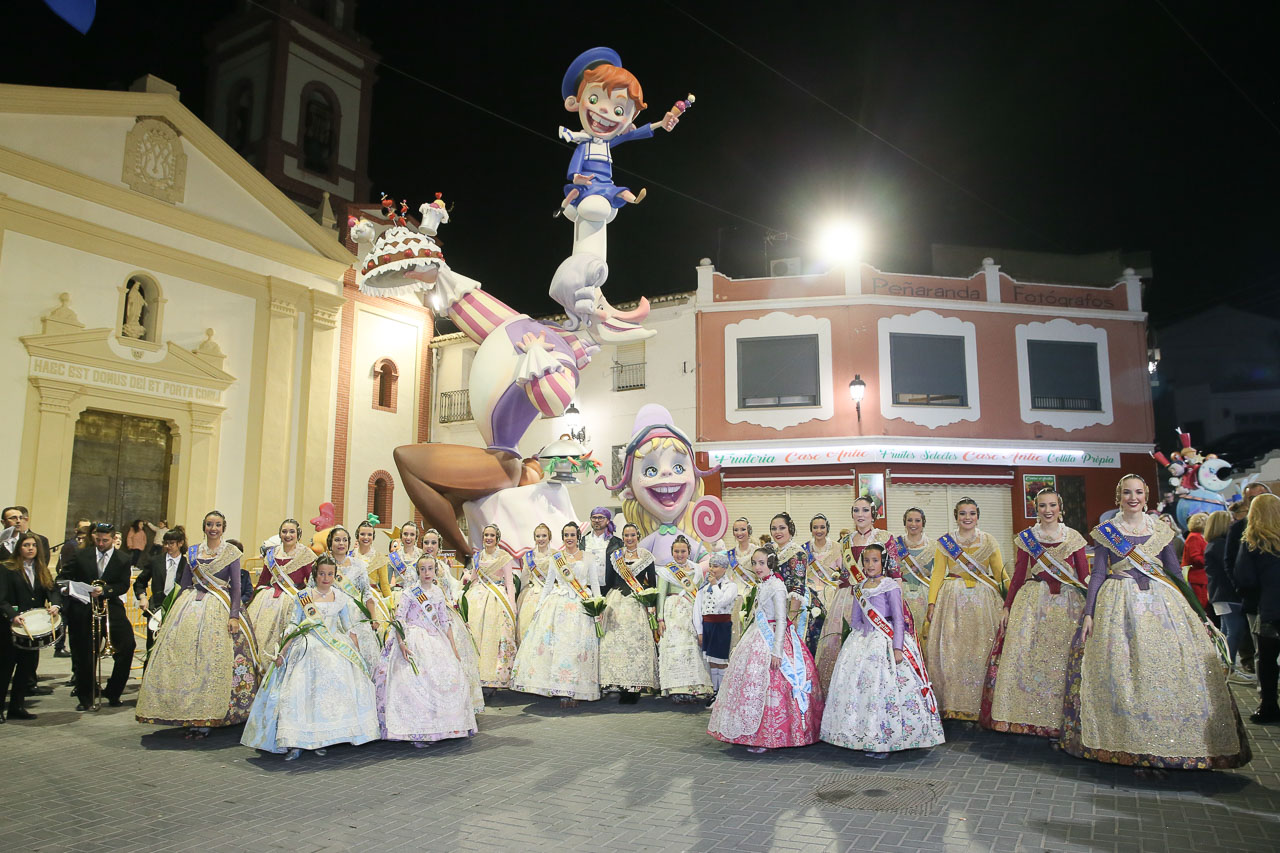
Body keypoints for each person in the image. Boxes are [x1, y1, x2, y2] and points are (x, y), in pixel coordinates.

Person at [1060, 474, 1250, 769]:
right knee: (1124, 671)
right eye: (1126, 492)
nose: (1132, 497)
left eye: (1138, 492)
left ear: (1146, 496)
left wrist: (1198, 615)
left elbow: (1174, 573)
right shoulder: (1106, 532)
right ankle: (1130, 742)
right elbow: (1098, 573)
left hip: (1164, 606)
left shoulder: (1161, 531)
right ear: (1118, 497)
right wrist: (1089, 612)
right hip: (1119, 605)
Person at [242, 556, 380, 760]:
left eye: (330, 574)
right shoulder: (304, 597)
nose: (326, 578)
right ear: (315, 574)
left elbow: (348, 628)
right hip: (306, 646)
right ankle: (296, 741)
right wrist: (283, 651)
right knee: (299, 692)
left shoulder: (341, 599)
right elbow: (292, 625)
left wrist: (357, 656)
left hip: (335, 647)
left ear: (335, 575)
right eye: (322, 573)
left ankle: (322, 738)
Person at [135, 513, 259, 737]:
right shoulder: (192, 551)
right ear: (204, 527)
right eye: (210, 524)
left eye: (218, 525)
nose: (214, 528)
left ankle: (209, 713)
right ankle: (185, 710)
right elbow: (184, 583)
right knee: (184, 657)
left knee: (212, 660)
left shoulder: (231, 553)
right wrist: (172, 613)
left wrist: (234, 616)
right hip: (190, 607)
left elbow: (237, 588)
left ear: (223, 528)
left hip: (218, 608)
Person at [980, 488, 1089, 739]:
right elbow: (1018, 575)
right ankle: (1029, 719)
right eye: (1042, 506)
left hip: (1067, 606)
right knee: (1030, 660)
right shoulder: (1027, 538)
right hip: (1033, 604)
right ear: (1035, 509)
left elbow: (1083, 576)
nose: (1047, 510)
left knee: (1061, 662)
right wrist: (1007, 606)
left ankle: (1061, 722)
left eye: (1052, 505)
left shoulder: (1073, 537)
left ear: (1060, 508)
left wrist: (1093, 606)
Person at [820, 544, 943, 756]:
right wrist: (857, 641)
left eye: (875, 560)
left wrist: (897, 647)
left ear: (882, 562)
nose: (870, 565)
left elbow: (898, 619)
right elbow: (856, 619)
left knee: (883, 690)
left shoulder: (890, 586)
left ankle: (886, 738)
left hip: (886, 640)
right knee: (862, 691)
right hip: (862, 642)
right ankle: (861, 735)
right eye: (866, 561)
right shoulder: (859, 587)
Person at [708, 547, 823, 752]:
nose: (757, 567)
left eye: (761, 563)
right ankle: (750, 732)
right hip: (757, 636)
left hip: (773, 640)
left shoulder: (777, 586)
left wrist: (777, 651)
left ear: (770, 563)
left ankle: (767, 736)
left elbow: (781, 620)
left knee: (771, 687)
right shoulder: (764, 584)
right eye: (754, 563)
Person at [556, 47, 683, 214]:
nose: (605, 111)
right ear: (575, 103)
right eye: (594, 99)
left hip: (606, 183)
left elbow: (633, 135)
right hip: (586, 183)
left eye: (618, 111)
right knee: (574, 192)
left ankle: (634, 199)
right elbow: (576, 161)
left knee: (621, 191)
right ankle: (562, 207)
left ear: (631, 118)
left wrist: (661, 123)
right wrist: (575, 176)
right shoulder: (584, 144)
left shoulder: (608, 143)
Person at [375, 555, 478, 746]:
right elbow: (399, 619)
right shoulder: (409, 593)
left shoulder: (438, 593)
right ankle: (417, 729)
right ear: (418, 571)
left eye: (430, 569)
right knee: (414, 681)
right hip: (413, 638)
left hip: (435, 640)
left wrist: (453, 648)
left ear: (435, 571)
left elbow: (444, 622)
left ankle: (442, 726)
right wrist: (402, 643)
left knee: (444, 679)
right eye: (423, 569)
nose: (427, 573)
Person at [926, 497, 1007, 721]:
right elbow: (937, 574)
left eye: (972, 513)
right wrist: (932, 603)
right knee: (952, 652)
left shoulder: (989, 541)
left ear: (977, 516)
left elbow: (1000, 574)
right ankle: (952, 704)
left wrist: (1010, 599)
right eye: (963, 513)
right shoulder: (945, 543)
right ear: (956, 516)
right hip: (952, 601)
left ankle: (980, 705)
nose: (967, 518)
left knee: (981, 651)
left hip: (983, 602)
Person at [509, 521, 601, 706]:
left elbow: (595, 585)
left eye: (572, 535)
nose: (569, 538)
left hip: (581, 607)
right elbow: (549, 585)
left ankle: (576, 691)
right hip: (558, 605)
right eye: (566, 535)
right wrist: (539, 608)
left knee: (577, 650)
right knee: (559, 650)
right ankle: (562, 690)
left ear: (578, 537)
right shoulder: (556, 558)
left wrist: (598, 608)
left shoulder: (589, 557)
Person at [59, 522, 136, 711]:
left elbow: (123, 585)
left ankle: (114, 691)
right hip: (85, 608)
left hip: (111, 608)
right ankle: (86, 696)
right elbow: (63, 578)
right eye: (98, 540)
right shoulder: (80, 555)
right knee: (85, 654)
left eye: (105, 540)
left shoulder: (123, 558)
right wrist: (71, 589)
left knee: (127, 646)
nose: (101, 543)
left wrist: (105, 590)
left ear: (112, 539)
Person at [817, 499, 892, 692]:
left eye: (865, 510)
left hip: (876, 600)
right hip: (846, 598)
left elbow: (895, 574)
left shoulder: (885, 538)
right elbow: (842, 571)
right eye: (856, 510)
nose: (860, 514)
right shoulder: (845, 541)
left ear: (873, 513)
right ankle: (842, 692)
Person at [415, 528, 483, 713]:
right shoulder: (417, 565)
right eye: (426, 543)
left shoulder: (444, 567)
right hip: (424, 618)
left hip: (445, 615)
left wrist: (466, 580)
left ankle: (457, 703)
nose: (429, 546)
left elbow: (452, 588)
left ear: (439, 546)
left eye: (433, 543)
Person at [1, 532, 62, 721]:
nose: (30, 548)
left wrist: (55, 604)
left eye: (33, 546)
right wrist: (13, 616)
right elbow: (1, 598)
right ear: (19, 548)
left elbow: (52, 590)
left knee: (25, 670)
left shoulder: (41, 569)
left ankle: (16, 707)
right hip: (10, 626)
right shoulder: (7, 569)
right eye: (26, 545)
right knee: (4, 670)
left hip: (32, 630)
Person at [1233, 493, 1280, 724]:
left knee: (1268, 660)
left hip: (1271, 610)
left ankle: (1269, 706)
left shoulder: (1253, 540)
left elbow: (1245, 578)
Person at [600, 522, 659, 702]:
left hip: (637, 603)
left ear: (638, 537)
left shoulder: (647, 557)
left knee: (636, 645)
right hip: (617, 601)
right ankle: (617, 683)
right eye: (626, 535)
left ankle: (634, 688)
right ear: (622, 537)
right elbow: (609, 581)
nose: (629, 539)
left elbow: (653, 585)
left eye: (633, 535)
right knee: (615, 643)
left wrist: (652, 604)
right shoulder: (614, 556)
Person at [246, 519, 316, 660]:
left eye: (292, 531)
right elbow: (263, 580)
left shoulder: (306, 554)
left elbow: (312, 582)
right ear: (280, 534)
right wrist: (253, 600)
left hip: (293, 599)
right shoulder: (272, 554)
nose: (288, 535)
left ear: (298, 534)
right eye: (284, 531)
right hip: (268, 599)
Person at [461, 524, 518, 691]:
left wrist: (512, 605)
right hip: (478, 598)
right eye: (486, 535)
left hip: (496, 598)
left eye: (492, 535)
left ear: (497, 538)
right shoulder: (477, 557)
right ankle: (476, 674)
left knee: (494, 637)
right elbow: (474, 579)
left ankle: (494, 676)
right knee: (476, 635)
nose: (488, 538)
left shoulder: (504, 557)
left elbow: (509, 582)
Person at [657, 535, 713, 702]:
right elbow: (660, 595)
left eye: (683, 551)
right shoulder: (666, 571)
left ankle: (696, 686)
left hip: (692, 612)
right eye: (676, 551)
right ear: (672, 552)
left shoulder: (696, 569)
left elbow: (701, 593)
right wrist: (660, 619)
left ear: (689, 552)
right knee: (677, 649)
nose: (680, 554)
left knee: (693, 648)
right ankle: (677, 688)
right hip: (673, 613)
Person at [326, 526, 386, 676]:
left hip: (355, 614)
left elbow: (366, 593)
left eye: (345, 540)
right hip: (329, 612)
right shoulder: (323, 564)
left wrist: (373, 617)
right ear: (330, 543)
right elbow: (313, 590)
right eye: (337, 540)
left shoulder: (358, 565)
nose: (341, 543)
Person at [1204, 510, 1253, 682]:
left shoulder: (1213, 543)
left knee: (1226, 631)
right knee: (1234, 631)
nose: (1233, 523)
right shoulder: (1219, 545)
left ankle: (1224, 666)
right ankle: (1227, 668)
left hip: (1219, 594)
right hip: (1226, 594)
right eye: (1230, 520)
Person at [769, 512, 821, 652]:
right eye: (774, 529)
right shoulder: (771, 551)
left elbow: (797, 587)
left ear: (790, 529)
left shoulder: (797, 553)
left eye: (782, 528)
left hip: (793, 604)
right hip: (774, 603)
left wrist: (791, 617)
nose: (777, 532)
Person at [133, 528, 189, 651]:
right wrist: (142, 597)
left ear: (180, 543)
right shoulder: (155, 561)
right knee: (152, 648)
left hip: (178, 611)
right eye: (165, 543)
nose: (168, 546)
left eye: (171, 543)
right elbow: (140, 582)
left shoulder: (187, 564)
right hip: (156, 608)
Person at [694, 552, 737, 705]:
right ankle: (715, 690)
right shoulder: (704, 587)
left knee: (721, 660)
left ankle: (722, 694)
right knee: (711, 661)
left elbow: (722, 602)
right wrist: (699, 630)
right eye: (711, 565)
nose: (712, 569)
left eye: (716, 566)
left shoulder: (730, 586)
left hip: (721, 626)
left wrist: (714, 585)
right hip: (708, 626)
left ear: (724, 569)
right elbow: (698, 609)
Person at [894, 508, 934, 636]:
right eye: (909, 520)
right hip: (901, 595)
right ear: (904, 523)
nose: (913, 524)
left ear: (923, 523)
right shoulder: (895, 545)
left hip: (925, 594)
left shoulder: (933, 546)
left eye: (917, 520)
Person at [517, 524, 553, 641]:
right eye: (538, 536)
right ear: (534, 538)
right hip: (532, 593)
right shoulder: (529, 556)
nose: (541, 539)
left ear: (549, 537)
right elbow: (524, 577)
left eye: (544, 536)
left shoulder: (556, 555)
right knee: (527, 624)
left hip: (551, 593)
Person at [581, 508, 622, 594]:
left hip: (608, 588)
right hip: (586, 588)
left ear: (607, 521)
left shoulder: (616, 543)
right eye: (594, 517)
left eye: (600, 518)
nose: (596, 520)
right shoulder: (583, 541)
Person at [352, 521, 392, 598]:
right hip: (354, 597)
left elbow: (385, 585)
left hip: (374, 598)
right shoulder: (351, 556)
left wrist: (391, 607)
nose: (366, 537)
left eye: (369, 534)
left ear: (373, 537)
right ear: (357, 536)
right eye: (362, 534)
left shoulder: (380, 558)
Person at [1184, 512, 1210, 612]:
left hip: (1202, 577)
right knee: (1200, 604)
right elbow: (1195, 557)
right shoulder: (1194, 537)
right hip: (1197, 577)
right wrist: (1209, 561)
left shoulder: (1200, 536)